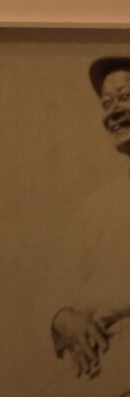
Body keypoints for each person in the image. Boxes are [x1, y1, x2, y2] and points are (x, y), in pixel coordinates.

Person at [50, 58, 130, 383]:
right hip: (108, 374)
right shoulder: (98, 206)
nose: (113, 112)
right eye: (106, 103)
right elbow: (56, 287)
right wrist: (62, 316)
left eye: (125, 97)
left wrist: (100, 305)